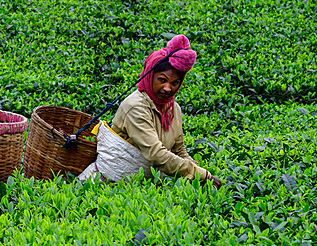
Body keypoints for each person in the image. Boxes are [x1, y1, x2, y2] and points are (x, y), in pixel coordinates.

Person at [78, 35, 223, 187]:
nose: (168, 88)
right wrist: (201, 174)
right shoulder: (135, 107)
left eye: (174, 83)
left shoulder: (173, 109)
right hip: (104, 186)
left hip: (142, 187)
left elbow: (178, 150)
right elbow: (156, 154)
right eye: (162, 80)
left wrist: (198, 173)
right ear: (150, 76)